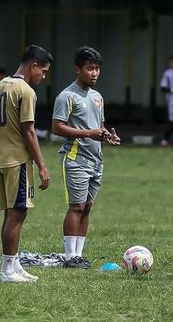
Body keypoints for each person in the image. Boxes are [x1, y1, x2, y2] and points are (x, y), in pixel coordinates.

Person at [0, 45, 53, 283]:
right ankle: (7, 270)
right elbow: (29, 131)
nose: (43, 77)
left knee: (10, 212)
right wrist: (42, 165)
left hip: (0, 159)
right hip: (17, 160)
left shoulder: (1, 85)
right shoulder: (25, 91)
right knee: (18, 213)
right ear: (33, 66)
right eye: (43, 71)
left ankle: (14, 265)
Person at [52, 47, 121, 269]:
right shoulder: (67, 96)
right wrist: (88, 134)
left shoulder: (97, 97)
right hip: (74, 158)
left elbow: (97, 127)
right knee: (77, 206)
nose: (95, 73)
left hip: (96, 160)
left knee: (88, 207)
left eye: (97, 68)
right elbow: (57, 127)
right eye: (90, 68)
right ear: (77, 69)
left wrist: (107, 136)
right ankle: (69, 255)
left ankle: (79, 255)